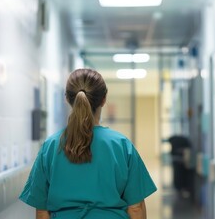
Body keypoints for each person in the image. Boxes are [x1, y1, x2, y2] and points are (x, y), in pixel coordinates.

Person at [20, 68, 157, 219]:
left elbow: (41, 211)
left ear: (67, 98)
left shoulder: (51, 146)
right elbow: (136, 208)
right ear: (104, 99)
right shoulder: (122, 146)